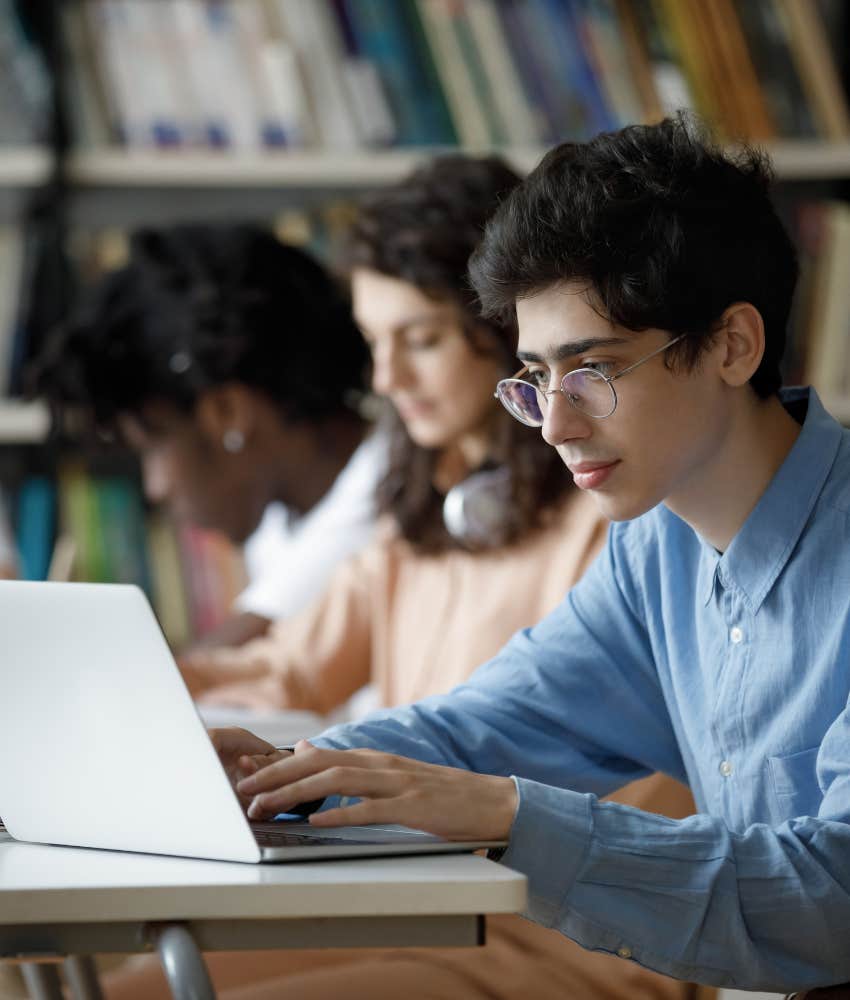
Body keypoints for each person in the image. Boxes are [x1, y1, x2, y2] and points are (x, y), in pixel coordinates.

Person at [213, 115, 850, 998]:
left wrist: (513, 816)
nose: (555, 425)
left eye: (592, 371)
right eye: (536, 379)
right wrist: (279, 775)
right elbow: (478, 729)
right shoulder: (653, 549)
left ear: (733, 345)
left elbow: (833, 899)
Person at [103, 156, 700, 1000]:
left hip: (571, 931)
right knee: (121, 986)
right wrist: (104, 684)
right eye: (374, 345)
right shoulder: (424, 523)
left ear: (504, 336)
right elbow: (280, 670)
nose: (384, 381)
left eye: (417, 340)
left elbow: (579, 770)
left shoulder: (619, 526)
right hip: (426, 898)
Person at [31, 224, 386, 654]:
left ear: (228, 412)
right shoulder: (279, 516)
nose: (155, 487)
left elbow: (222, 666)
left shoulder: (391, 494)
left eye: (154, 448)